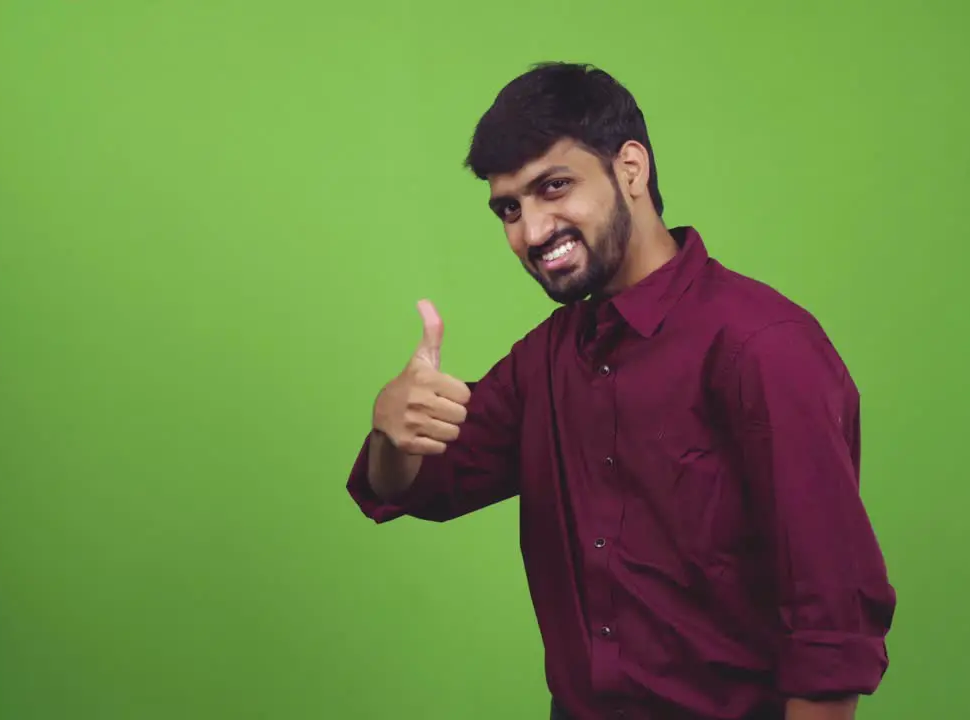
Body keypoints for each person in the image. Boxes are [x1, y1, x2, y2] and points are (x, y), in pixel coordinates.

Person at [344, 62, 896, 720]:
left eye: (554, 187)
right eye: (510, 209)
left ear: (630, 169)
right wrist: (392, 434)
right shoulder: (544, 360)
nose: (531, 231)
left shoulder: (763, 347)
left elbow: (830, 631)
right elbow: (415, 483)